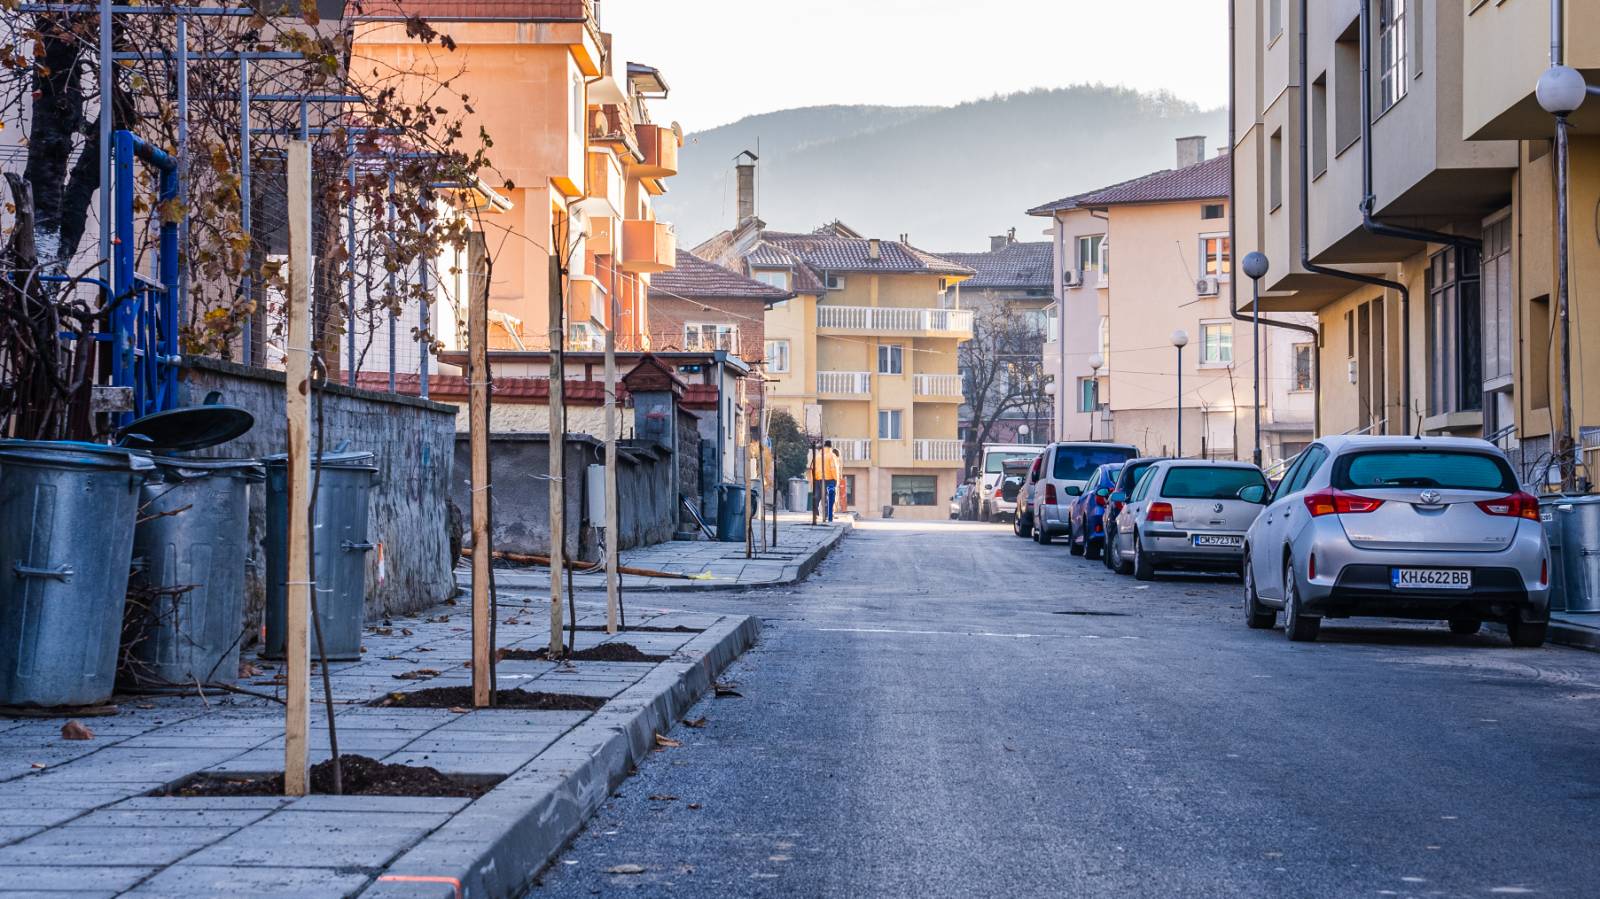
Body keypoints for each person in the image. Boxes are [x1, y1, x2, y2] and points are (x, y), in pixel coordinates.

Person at [811, 439, 841, 523]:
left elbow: (813, 468)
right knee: (829, 497)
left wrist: (815, 478)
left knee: (817, 496)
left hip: (818, 479)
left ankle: (815, 513)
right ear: (830, 446)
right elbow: (833, 468)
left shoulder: (817, 456)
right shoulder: (832, 455)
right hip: (829, 479)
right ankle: (828, 514)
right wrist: (836, 479)